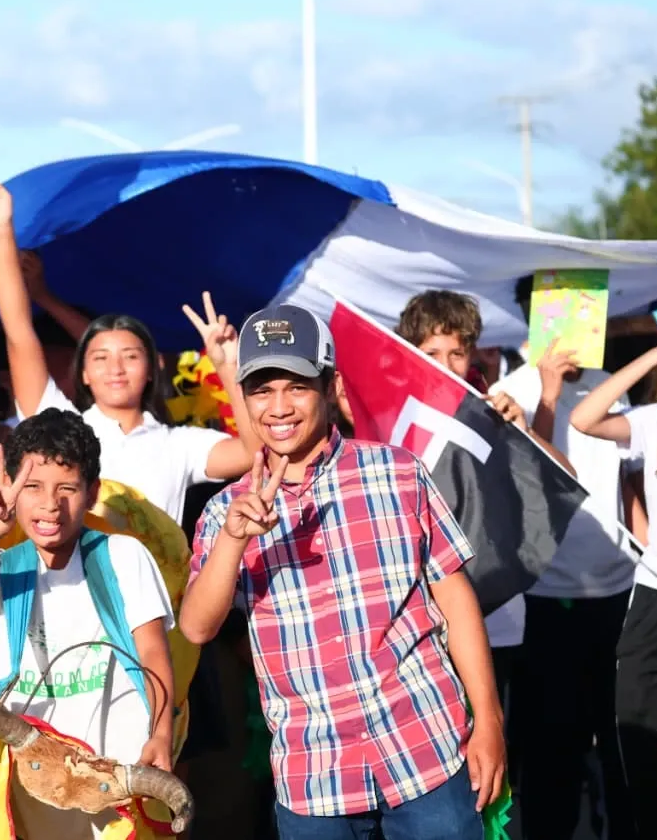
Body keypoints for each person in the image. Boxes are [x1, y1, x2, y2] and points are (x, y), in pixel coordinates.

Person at [181, 305, 504, 840]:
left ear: (329, 386)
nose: (278, 407)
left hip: (425, 746)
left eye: (296, 387)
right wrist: (235, 540)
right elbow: (197, 628)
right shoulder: (225, 511)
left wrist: (488, 721)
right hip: (315, 774)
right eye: (261, 390)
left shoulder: (397, 472)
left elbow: (455, 600)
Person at [0, 408, 176, 839]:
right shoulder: (7, 567)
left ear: (92, 494)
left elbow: (152, 655)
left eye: (67, 488)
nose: (50, 504)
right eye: (32, 487)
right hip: (37, 778)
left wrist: (161, 735)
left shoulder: (123, 557)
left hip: (115, 775)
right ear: (11, 492)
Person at [0, 181, 254, 527]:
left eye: (131, 356)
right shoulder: (60, 424)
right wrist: (1, 231)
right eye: (100, 358)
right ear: (84, 374)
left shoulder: (178, 444)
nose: (116, 368)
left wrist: (229, 368)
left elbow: (253, 451)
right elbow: (19, 332)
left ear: (152, 369)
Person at [391, 290, 576, 706]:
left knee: (497, 752)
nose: (445, 365)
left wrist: (522, 429)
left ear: (472, 352)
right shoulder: (393, 416)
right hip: (419, 623)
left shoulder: (490, 409)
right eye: (431, 351)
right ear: (409, 350)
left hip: (496, 615)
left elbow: (563, 477)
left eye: (457, 352)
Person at [490, 336, 637, 839]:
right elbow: (535, 483)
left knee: (622, 740)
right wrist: (547, 395)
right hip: (546, 598)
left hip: (619, 592)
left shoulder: (607, 387)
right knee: (554, 742)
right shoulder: (511, 390)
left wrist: (639, 547)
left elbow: (629, 477)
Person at [569, 339, 657, 838]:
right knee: (638, 734)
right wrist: (654, 357)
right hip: (656, 599)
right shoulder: (653, 422)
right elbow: (584, 419)